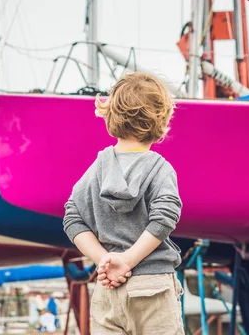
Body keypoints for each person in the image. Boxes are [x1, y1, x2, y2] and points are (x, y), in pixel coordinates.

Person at [63, 72, 184, 334]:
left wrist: (103, 259)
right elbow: (165, 217)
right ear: (162, 123)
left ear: (111, 118)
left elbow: (72, 217)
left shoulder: (97, 169)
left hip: (108, 289)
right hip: (152, 286)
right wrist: (127, 260)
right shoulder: (160, 169)